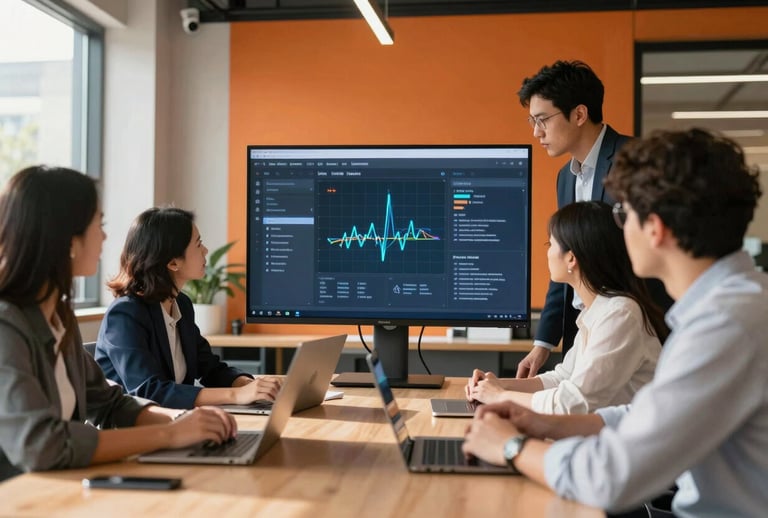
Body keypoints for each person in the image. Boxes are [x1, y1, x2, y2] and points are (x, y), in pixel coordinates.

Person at [462, 128, 767, 516]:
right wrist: (540, 423)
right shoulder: (731, 307)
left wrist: (510, 446)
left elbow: (611, 478)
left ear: (655, 229)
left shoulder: (725, 326)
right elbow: (646, 415)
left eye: (623, 213)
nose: (618, 229)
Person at [0, 166, 237, 482]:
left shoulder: (58, 315)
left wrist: (182, 422)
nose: (106, 235)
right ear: (68, 240)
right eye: (99, 224)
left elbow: (109, 403)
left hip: (61, 489)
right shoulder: (6, 326)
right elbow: (42, 446)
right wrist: (170, 435)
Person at [516, 60, 672, 378]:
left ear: (579, 114)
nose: (536, 132)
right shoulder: (565, 177)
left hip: (635, 326)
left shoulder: (634, 160)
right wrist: (543, 341)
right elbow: (568, 254)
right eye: (532, 121)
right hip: (584, 328)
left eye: (543, 119)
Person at [466, 201, 666, 414]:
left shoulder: (621, 315)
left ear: (571, 258)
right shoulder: (596, 310)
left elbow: (572, 403)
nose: (548, 252)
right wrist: (496, 385)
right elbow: (562, 377)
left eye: (550, 244)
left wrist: (500, 396)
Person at [96, 207, 281, 409]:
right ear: (173, 262)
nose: (206, 251)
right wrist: (237, 395)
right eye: (198, 244)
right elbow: (149, 391)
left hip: (177, 423)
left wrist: (252, 386)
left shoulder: (181, 304)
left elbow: (210, 368)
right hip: (132, 432)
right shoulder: (125, 314)